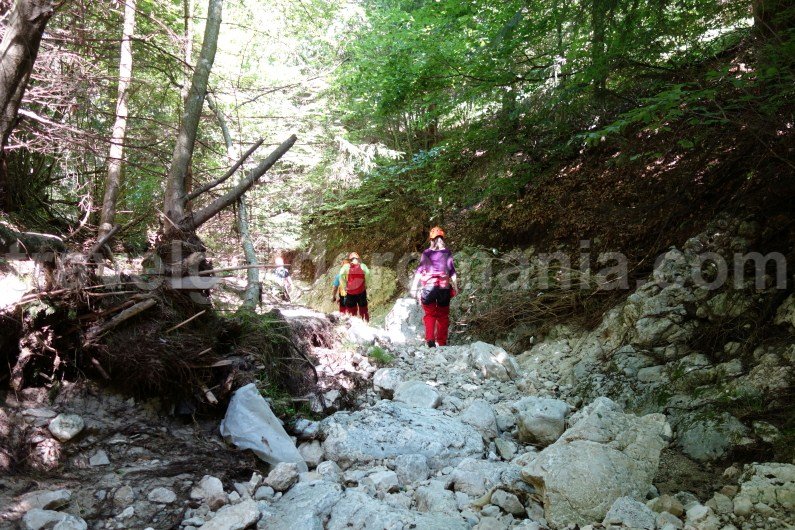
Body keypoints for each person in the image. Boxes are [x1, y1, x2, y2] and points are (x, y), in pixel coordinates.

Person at [410, 226, 458, 347]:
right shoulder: (447, 253)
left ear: (431, 240)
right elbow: (452, 271)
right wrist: (456, 287)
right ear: (442, 238)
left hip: (429, 287)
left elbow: (419, 271)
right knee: (443, 316)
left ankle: (430, 340)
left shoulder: (426, 253)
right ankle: (441, 342)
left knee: (430, 314)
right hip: (444, 287)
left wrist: (414, 288)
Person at [338, 252, 370, 321]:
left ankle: (353, 323)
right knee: (363, 308)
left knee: (351, 310)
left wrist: (345, 286)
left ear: (350, 260)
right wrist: (366, 284)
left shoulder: (346, 266)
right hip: (361, 291)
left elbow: (340, 275)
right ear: (358, 258)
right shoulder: (363, 265)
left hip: (350, 292)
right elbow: (367, 273)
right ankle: (365, 322)